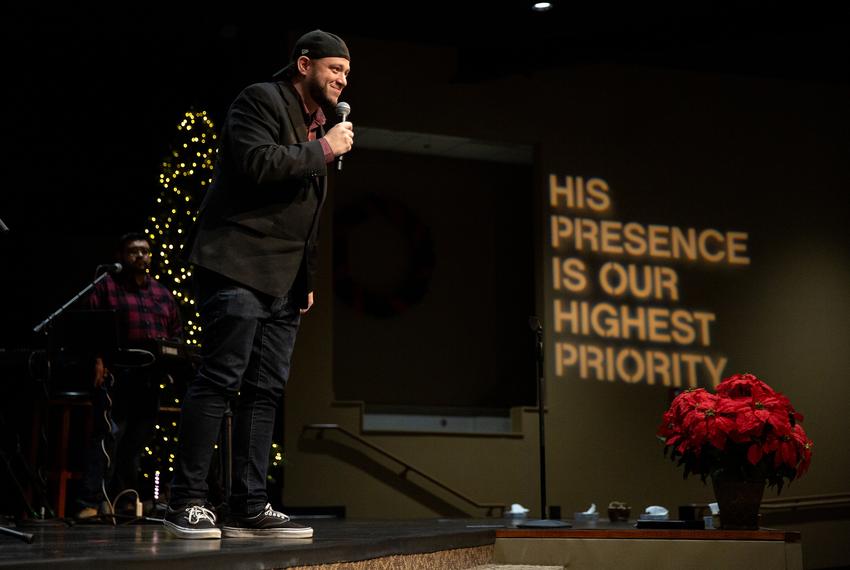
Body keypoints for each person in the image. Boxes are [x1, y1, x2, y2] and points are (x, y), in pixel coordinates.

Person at [163, 29, 353, 540]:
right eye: (333, 69)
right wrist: (325, 150)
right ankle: (187, 502)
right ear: (303, 64)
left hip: (284, 279)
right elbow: (257, 164)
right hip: (237, 263)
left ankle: (249, 504)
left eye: (346, 74)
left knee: (266, 390)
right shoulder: (261, 100)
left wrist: (306, 279)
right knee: (222, 378)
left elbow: (307, 215)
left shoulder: (319, 128)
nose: (340, 80)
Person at [76, 232, 183, 519]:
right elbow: (91, 325)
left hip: (148, 380)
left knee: (136, 442)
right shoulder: (108, 287)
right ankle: (90, 501)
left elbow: (175, 335)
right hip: (116, 377)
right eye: (134, 251)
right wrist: (97, 360)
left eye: (145, 251)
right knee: (108, 437)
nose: (140, 256)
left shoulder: (162, 294)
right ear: (121, 256)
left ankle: (125, 500)